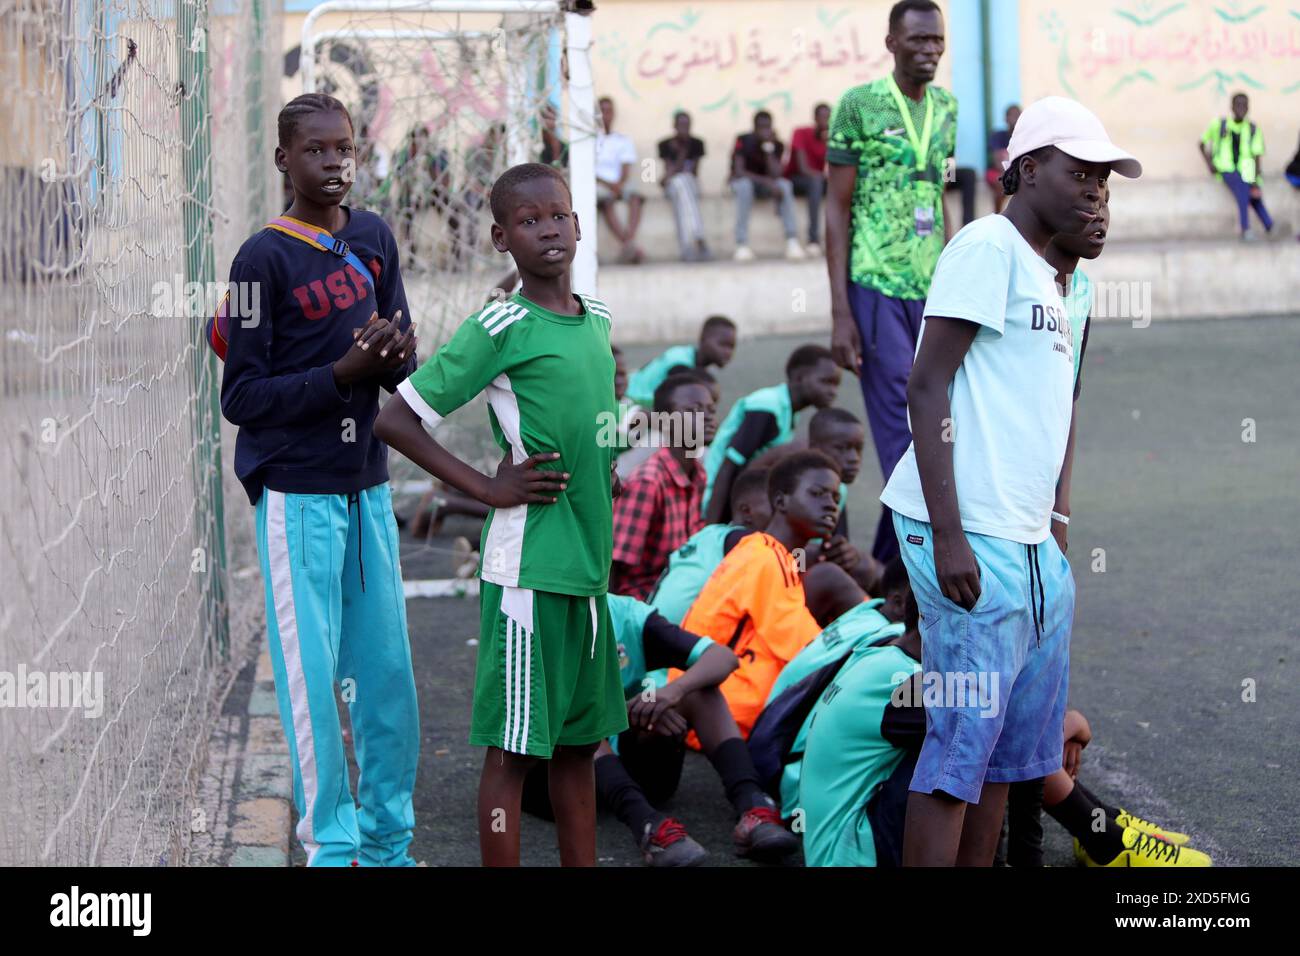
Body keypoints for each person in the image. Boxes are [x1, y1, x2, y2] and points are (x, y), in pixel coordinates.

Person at [880, 95, 1141, 867]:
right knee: (958, 753)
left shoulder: (1077, 287)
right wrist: (951, 535)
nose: (1095, 191)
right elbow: (925, 387)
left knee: (1004, 759)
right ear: (1028, 171)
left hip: (1030, 544)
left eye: (1104, 181)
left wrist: (1057, 534)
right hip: (964, 530)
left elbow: (1065, 410)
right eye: (1080, 173)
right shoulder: (988, 245)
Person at [374, 162, 627, 867]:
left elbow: (590, 423)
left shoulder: (597, 319)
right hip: (528, 569)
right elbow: (397, 420)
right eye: (529, 220)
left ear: (579, 224)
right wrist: (488, 488)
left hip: (588, 570)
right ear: (500, 238)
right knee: (514, 751)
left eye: (559, 215)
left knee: (578, 748)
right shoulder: (500, 323)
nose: (549, 229)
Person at [218, 93, 421, 867]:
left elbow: (401, 348)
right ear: (284, 160)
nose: (335, 163)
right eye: (317, 151)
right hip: (298, 496)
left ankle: (387, 845)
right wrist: (342, 373)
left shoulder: (373, 237)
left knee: (387, 682)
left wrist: (393, 356)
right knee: (311, 690)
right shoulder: (259, 260)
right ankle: (332, 851)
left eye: (345, 150)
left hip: (366, 484)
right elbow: (241, 397)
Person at [825, 0, 959, 565]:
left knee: (941, 429)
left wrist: (956, 275)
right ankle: (906, 568)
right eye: (918, 40)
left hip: (933, 291)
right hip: (874, 288)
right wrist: (840, 312)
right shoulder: (857, 107)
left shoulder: (948, 109)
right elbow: (835, 208)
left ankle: (884, 569)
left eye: (937, 41)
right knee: (905, 437)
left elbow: (939, 197)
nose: (929, 50)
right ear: (891, 44)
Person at [522, 594, 798, 866]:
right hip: (551, 779)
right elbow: (550, 712)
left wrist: (669, 695)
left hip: (625, 766)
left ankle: (753, 804)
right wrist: (627, 714)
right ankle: (648, 826)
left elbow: (722, 657)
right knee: (581, 723)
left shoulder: (626, 614)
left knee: (699, 691)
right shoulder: (533, 616)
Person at [681, 451, 842, 740]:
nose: (830, 505)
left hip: (710, 706)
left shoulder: (766, 552)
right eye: (818, 494)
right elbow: (806, 651)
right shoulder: (766, 556)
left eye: (835, 498)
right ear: (780, 502)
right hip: (725, 712)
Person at [793, 591, 924, 866]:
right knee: (964, 740)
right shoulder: (905, 680)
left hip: (828, 849)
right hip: (847, 855)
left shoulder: (883, 653)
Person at [701, 344, 841, 524]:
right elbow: (729, 465)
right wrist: (713, 526)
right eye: (826, 382)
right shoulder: (767, 407)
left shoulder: (790, 411)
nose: (833, 392)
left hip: (740, 497)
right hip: (714, 500)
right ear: (799, 377)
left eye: (836, 385)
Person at [610, 374, 717, 599]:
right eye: (694, 410)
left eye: (711, 409)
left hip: (678, 593)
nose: (708, 417)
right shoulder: (649, 482)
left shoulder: (697, 474)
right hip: (643, 605)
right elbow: (614, 569)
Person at [647, 467, 773, 624]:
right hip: (669, 641)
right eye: (774, 504)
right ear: (746, 511)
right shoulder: (740, 540)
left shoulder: (708, 534)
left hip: (650, 631)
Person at [731, 111, 805, 261]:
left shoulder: (776, 144)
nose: (764, 131)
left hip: (766, 184)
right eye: (761, 127)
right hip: (745, 182)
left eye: (767, 127)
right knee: (744, 186)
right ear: (754, 127)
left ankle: (792, 241)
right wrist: (766, 182)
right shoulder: (743, 140)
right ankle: (742, 244)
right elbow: (739, 171)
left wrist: (769, 150)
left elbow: (777, 173)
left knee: (785, 185)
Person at [1200, 93, 1274, 240]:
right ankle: (1246, 228)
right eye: (1238, 105)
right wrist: (1210, 164)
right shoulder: (1220, 125)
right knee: (1243, 191)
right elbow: (1202, 143)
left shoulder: (1253, 128)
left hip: (1247, 168)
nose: (1241, 108)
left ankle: (1269, 225)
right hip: (1226, 167)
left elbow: (1256, 156)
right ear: (1231, 107)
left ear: (1248, 108)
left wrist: (1255, 181)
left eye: (1244, 105)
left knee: (1253, 196)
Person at [625, 315, 737, 407]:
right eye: (723, 345)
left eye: (732, 346)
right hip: (628, 401)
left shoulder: (683, 352)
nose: (728, 352)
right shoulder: (680, 364)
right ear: (703, 338)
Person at [596, 96, 646, 263]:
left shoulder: (623, 140)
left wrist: (619, 184)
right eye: (602, 111)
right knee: (606, 201)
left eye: (609, 111)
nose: (606, 115)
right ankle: (629, 245)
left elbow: (626, 168)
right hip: (600, 184)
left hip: (619, 183)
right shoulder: (591, 141)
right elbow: (589, 172)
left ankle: (628, 242)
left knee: (636, 197)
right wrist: (611, 186)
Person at [658, 111, 711, 261]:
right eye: (681, 125)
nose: (684, 128)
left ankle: (687, 248)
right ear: (674, 126)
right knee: (680, 181)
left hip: (692, 185)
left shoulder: (697, 144)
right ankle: (699, 237)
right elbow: (667, 177)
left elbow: (693, 172)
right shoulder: (665, 144)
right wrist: (681, 153)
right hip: (672, 188)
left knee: (683, 181)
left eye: (687, 125)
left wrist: (683, 150)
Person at [785, 103, 831, 254]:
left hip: (816, 181)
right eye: (822, 117)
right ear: (815, 118)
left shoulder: (832, 138)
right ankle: (813, 240)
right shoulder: (800, 133)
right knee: (816, 181)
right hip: (796, 179)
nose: (825, 121)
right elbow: (803, 168)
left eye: (829, 117)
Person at [987, 104, 1021, 214]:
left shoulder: (1023, 137)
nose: (1016, 119)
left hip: (1015, 171)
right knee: (1002, 183)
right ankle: (997, 214)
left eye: (1018, 115)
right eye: (1013, 115)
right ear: (1006, 118)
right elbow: (998, 162)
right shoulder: (998, 135)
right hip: (995, 172)